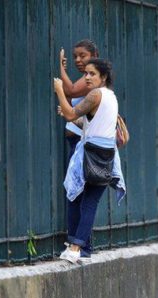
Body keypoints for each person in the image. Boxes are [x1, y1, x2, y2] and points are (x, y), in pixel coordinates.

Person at [53, 59, 126, 263]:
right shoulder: (111, 97)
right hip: (107, 156)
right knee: (87, 201)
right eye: (85, 73)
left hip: (92, 156)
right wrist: (73, 117)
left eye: (92, 74)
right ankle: (83, 249)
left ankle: (75, 247)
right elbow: (93, 124)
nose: (87, 77)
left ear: (103, 77)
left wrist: (60, 90)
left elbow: (70, 114)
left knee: (78, 198)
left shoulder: (95, 94)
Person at [59, 40, 99, 163]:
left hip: (84, 142)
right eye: (75, 56)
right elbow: (69, 96)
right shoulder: (84, 78)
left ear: (94, 56)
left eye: (82, 56)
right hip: (77, 142)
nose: (77, 60)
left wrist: (60, 67)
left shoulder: (93, 79)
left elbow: (71, 91)